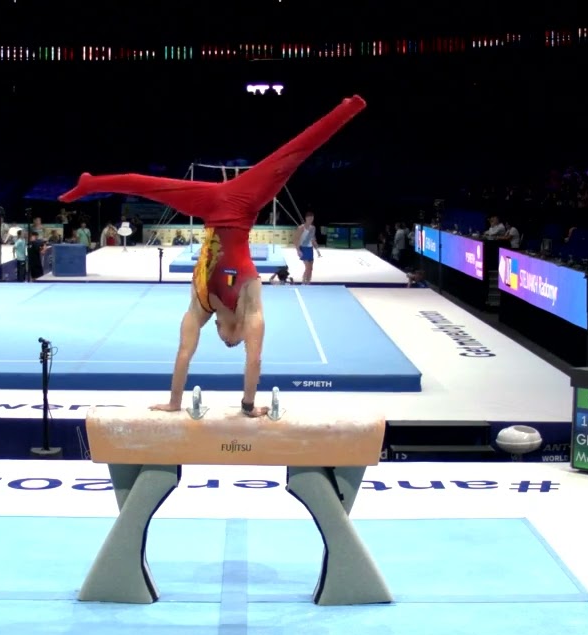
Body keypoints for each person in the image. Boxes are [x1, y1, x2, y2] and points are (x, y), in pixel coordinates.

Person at [59, 95, 367, 417]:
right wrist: (248, 406)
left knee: (148, 185)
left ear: (217, 327)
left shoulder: (200, 305)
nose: (228, 337)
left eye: (225, 338)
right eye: (234, 338)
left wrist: (175, 403)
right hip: (244, 203)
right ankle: (349, 107)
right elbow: (254, 359)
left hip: (210, 205)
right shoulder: (251, 305)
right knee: (290, 156)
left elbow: (183, 354)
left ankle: (91, 183)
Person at [297, 211, 319, 284]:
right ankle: (303, 282)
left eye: (312, 219)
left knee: (311, 268)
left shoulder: (313, 228)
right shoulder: (301, 228)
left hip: (310, 249)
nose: (310, 220)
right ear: (306, 218)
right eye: (309, 219)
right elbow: (296, 239)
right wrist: (298, 250)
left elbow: (313, 239)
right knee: (307, 267)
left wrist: (317, 250)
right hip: (303, 248)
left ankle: (308, 282)